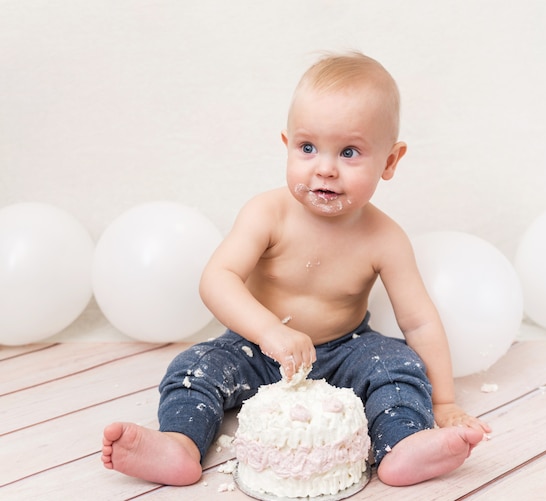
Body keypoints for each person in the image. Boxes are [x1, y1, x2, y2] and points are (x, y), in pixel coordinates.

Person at [101, 51, 491, 487]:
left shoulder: (385, 238)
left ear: (389, 162)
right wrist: (269, 331)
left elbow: (418, 321)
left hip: (346, 351)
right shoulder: (267, 213)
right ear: (286, 146)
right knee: (195, 367)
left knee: (397, 367)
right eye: (308, 148)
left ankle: (402, 445)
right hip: (255, 348)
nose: (324, 168)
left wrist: (445, 401)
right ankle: (179, 443)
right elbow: (217, 279)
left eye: (349, 152)